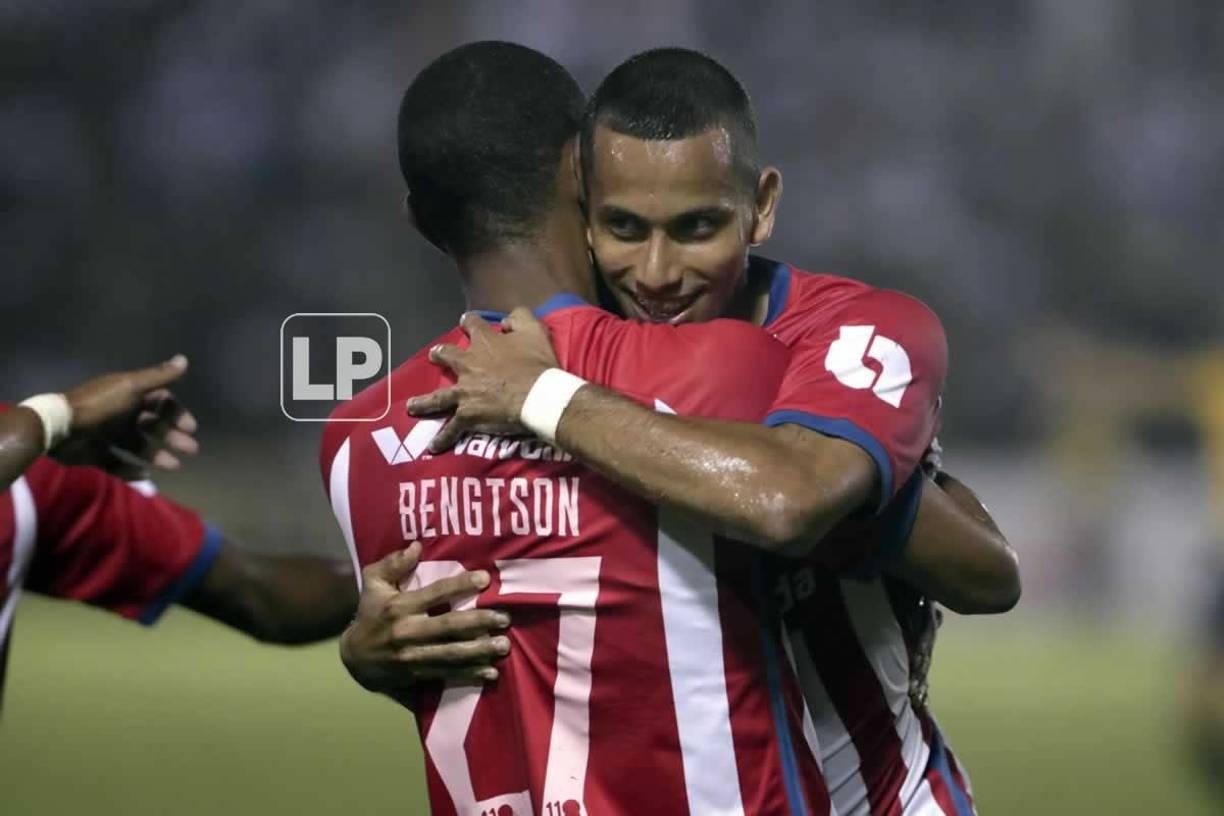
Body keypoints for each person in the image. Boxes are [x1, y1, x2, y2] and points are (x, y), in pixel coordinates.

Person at [409, 47, 1015, 815]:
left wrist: (549, 399)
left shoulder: (854, 333)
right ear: (583, 212)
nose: (657, 273)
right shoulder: (565, 348)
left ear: (761, 205)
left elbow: (976, 570)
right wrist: (375, 644)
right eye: (624, 228)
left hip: (882, 801)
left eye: (697, 228)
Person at [323, 41, 832, 815]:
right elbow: (955, 564)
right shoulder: (719, 367)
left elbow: (476, 672)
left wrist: (363, 657)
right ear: (582, 171)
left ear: (419, 220)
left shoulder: (355, 444)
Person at [0, 357, 358, 709]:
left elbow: (258, 591)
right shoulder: (42, 437)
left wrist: (390, 575)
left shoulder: (35, 479)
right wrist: (54, 416)